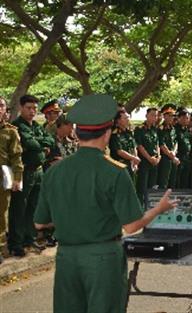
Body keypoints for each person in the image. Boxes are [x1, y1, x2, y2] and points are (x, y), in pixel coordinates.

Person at [33, 93, 176, 313]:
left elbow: (40, 223)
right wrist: (159, 208)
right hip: (103, 258)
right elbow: (132, 225)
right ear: (107, 133)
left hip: (66, 258)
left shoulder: (55, 171)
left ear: (76, 133)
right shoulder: (114, 172)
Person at [8, 94, 53, 257]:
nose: (32, 111)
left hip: (38, 171)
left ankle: (29, 238)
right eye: (29, 108)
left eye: (34, 108)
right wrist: (41, 144)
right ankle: (16, 243)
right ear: (21, 108)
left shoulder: (36, 125)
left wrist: (40, 142)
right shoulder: (17, 125)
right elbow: (29, 143)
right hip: (25, 171)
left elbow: (50, 140)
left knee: (34, 206)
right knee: (19, 208)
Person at [0, 97, 22, 264]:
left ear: (5, 110)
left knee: (1, 214)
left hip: (2, 176)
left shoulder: (11, 132)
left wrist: (17, 179)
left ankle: (1, 247)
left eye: (1, 105)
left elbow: (16, 157)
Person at [134, 108, 160, 204]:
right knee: (142, 187)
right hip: (145, 162)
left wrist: (158, 157)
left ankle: (149, 205)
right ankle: (141, 206)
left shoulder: (154, 129)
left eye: (156, 115)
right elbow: (139, 146)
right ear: (146, 116)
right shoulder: (139, 129)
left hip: (154, 162)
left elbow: (157, 144)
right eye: (152, 115)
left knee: (152, 186)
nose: (155, 117)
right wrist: (149, 158)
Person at [109, 109, 140, 179]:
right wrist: (134, 158)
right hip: (120, 166)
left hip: (131, 164)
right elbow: (119, 151)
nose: (128, 120)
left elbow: (134, 147)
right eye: (125, 118)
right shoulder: (114, 134)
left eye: (128, 118)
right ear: (118, 120)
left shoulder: (129, 132)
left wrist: (135, 160)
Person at [157, 104, 180, 190]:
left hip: (173, 157)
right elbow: (161, 144)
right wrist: (171, 155)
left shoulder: (173, 129)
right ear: (164, 116)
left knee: (172, 182)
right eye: (169, 116)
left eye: (172, 116)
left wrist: (174, 152)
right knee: (164, 182)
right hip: (165, 159)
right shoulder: (161, 129)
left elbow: (175, 142)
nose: (171, 118)